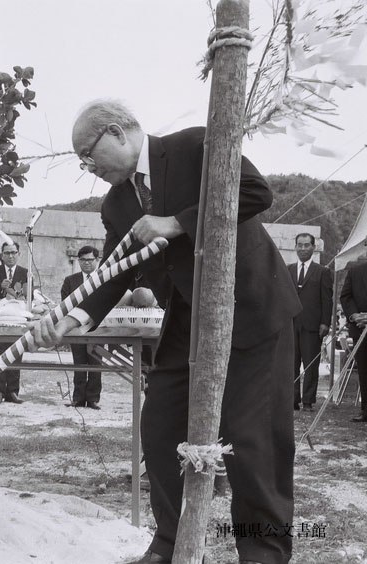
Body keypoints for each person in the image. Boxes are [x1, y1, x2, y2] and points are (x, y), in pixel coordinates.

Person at [33, 99, 299, 564]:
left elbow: (257, 192)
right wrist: (70, 319)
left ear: (116, 132)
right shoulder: (116, 203)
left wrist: (176, 222)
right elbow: (114, 271)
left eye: (88, 155)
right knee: (159, 429)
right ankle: (172, 543)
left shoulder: (193, 146)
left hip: (254, 311)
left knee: (254, 440)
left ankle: (263, 552)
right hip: (187, 323)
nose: (88, 167)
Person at [0, 240, 29, 404]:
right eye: (7, 253)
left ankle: (13, 391)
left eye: (13, 252)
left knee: (16, 352)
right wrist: (0, 287)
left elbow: (29, 296)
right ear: (2, 255)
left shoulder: (25, 272)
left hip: (17, 318)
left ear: (18, 254)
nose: (10, 256)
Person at [288, 233, 333, 412]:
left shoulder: (322, 271)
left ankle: (308, 401)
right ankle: (292, 400)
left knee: (311, 365)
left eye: (307, 245)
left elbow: (327, 300)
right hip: (291, 324)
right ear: (295, 247)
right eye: (300, 245)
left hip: (313, 326)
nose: (303, 248)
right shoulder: (288, 269)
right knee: (291, 365)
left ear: (313, 248)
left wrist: (325, 323)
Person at [60, 245, 102, 409]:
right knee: (78, 363)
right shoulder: (70, 281)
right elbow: (64, 303)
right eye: (83, 260)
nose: (87, 263)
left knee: (96, 363)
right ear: (78, 261)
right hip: (75, 327)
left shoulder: (103, 278)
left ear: (97, 260)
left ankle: (93, 399)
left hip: (97, 327)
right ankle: (78, 398)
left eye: (90, 260)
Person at [340, 238, 367, 423]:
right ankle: (366, 411)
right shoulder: (355, 272)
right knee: (364, 370)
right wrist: (354, 315)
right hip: (360, 330)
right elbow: (346, 296)